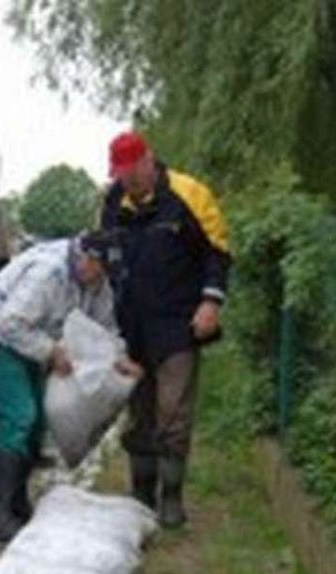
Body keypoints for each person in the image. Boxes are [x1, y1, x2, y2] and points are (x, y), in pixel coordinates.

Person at [0, 232, 141, 541]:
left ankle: (17, 502)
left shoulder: (96, 280)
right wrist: (50, 352)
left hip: (31, 337)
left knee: (37, 421)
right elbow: (11, 322)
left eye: (104, 273)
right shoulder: (48, 273)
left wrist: (119, 357)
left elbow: (104, 326)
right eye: (97, 269)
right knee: (19, 415)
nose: (99, 278)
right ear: (84, 257)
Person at [99, 131, 231, 529]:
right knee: (139, 411)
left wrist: (211, 302)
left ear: (148, 160)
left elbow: (218, 253)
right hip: (131, 328)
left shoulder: (188, 195)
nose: (127, 181)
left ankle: (171, 498)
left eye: (131, 172)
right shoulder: (111, 203)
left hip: (177, 323)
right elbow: (104, 253)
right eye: (119, 174)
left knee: (172, 411)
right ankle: (141, 490)